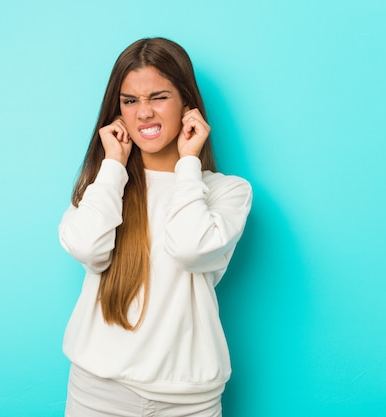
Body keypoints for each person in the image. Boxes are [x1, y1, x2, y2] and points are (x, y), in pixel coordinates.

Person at [58, 37, 253, 417]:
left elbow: (190, 248)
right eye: (130, 101)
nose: (143, 113)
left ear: (187, 103)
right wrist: (113, 166)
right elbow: (87, 249)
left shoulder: (227, 192)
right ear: (118, 112)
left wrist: (187, 163)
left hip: (189, 399)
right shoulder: (101, 188)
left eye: (158, 97)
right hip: (98, 391)